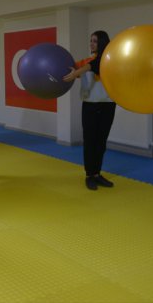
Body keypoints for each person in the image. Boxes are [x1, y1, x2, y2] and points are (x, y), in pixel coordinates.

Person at [63, 31, 116, 191]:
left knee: (101, 142)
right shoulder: (84, 61)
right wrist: (72, 71)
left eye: (94, 41)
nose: (91, 43)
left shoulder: (109, 61)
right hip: (90, 106)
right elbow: (75, 68)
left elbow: (93, 66)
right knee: (90, 141)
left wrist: (76, 73)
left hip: (108, 105)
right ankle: (89, 175)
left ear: (102, 42)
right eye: (90, 41)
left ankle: (97, 173)